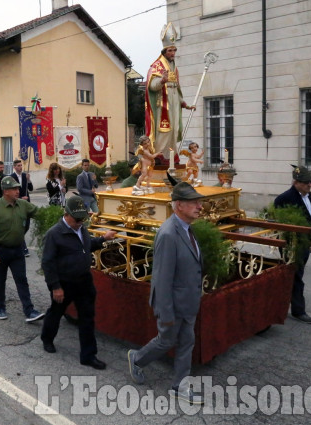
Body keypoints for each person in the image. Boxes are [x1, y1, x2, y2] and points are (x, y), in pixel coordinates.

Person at [127, 181, 205, 405]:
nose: (200, 206)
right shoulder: (169, 234)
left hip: (187, 302)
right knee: (167, 340)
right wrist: (165, 313)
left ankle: (180, 385)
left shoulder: (186, 229)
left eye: (200, 202)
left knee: (186, 341)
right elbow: (161, 279)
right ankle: (137, 358)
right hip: (173, 304)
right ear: (179, 205)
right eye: (194, 203)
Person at [40, 196, 116, 369]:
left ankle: (88, 355)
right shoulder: (55, 234)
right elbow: (48, 263)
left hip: (84, 281)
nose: (80, 222)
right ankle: (47, 338)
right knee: (56, 312)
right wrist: (55, 287)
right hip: (64, 283)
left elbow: (87, 246)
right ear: (66, 215)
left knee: (87, 317)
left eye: (83, 219)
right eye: (77, 219)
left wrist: (103, 239)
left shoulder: (81, 229)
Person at [0, 176, 45, 322]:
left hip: (17, 250)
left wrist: (62, 215)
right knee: (0, 280)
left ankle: (29, 311)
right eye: (14, 189)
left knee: (21, 280)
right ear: (5, 191)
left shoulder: (23, 204)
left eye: (18, 188)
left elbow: (40, 214)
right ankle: (0, 307)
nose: (18, 191)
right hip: (0, 250)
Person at [274, 165, 311, 324]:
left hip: (305, 244)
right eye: (306, 182)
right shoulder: (285, 198)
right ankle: (298, 311)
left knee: (293, 275)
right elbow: (278, 223)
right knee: (296, 276)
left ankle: (279, 303)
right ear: (296, 182)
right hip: (292, 245)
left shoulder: (307, 196)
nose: (309, 185)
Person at [145, 23, 196, 159]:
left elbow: (176, 90)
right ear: (164, 52)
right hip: (162, 107)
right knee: (164, 132)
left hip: (174, 106)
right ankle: (161, 156)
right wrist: (162, 80)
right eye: (170, 51)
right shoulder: (157, 66)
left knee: (173, 131)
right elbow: (152, 86)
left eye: (174, 50)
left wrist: (184, 104)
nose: (173, 53)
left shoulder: (175, 68)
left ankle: (171, 157)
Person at [10, 159, 34, 256]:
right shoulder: (11, 177)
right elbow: (11, 192)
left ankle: (16, 239)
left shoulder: (25, 176)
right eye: (18, 165)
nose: (20, 167)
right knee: (20, 225)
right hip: (16, 204)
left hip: (26, 204)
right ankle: (24, 248)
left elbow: (31, 188)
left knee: (27, 225)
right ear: (14, 167)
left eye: (21, 165)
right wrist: (20, 198)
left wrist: (29, 180)